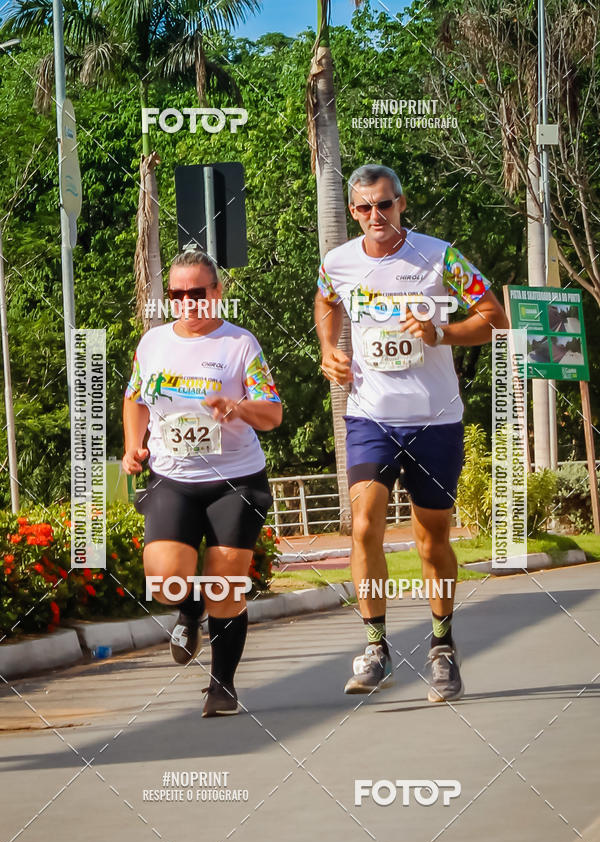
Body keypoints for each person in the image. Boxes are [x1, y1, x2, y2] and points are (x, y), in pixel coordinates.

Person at [314, 164, 508, 701]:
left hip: (435, 418)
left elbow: (496, 317)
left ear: (402, 204)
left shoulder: (439, 256)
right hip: (370, 416)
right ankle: (376, 647)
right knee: (363, 526)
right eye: (363, 208)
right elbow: (326, 301)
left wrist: (441, 331)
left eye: (384, 205)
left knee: (431, 541)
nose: (375, 216)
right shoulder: (338, 262)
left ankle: (442, 647)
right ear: (352, 212)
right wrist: (331, 350)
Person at [122, 248, 282, 717]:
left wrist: (237, 407)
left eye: (197, 292)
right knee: (165, 579)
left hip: (235, 480)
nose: (188, 302)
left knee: (225, 586)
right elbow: (135, 397)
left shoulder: (239, 345)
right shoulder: (153, 344)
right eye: (178, 294)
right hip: (172, 476)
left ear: (217, 292)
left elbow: (272, 413)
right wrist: (134, 446)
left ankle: (222, 685)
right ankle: (189, 611)